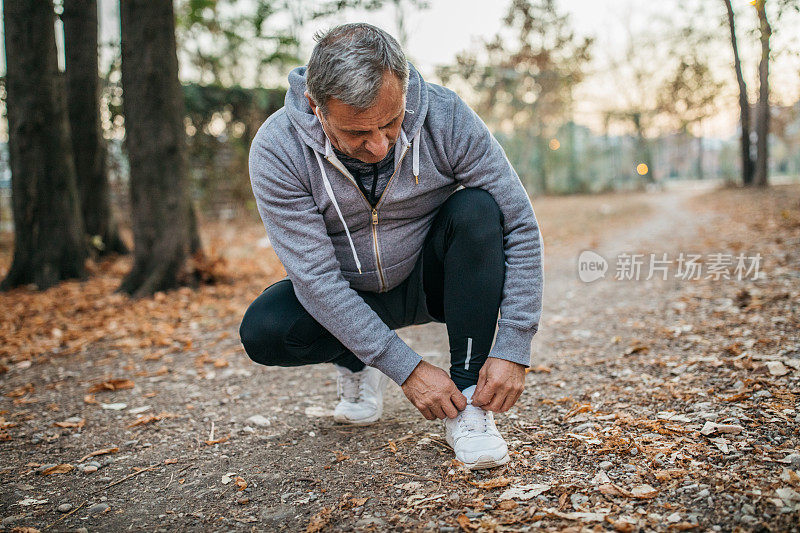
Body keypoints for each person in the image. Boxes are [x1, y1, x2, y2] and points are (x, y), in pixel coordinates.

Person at [239, 23, 544, 470]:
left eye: (391, 122)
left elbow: (519, 224)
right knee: (265, 330)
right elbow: (316, 280)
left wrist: (514, 344)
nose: (379, 145)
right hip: (348, 289)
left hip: (430, 280)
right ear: (315, 106)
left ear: (402, 87)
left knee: (479, 210)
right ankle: (355, 359)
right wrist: (407, 369)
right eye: (358, 133)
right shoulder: (277, 149)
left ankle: (467, 402)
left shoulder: (446, 116)